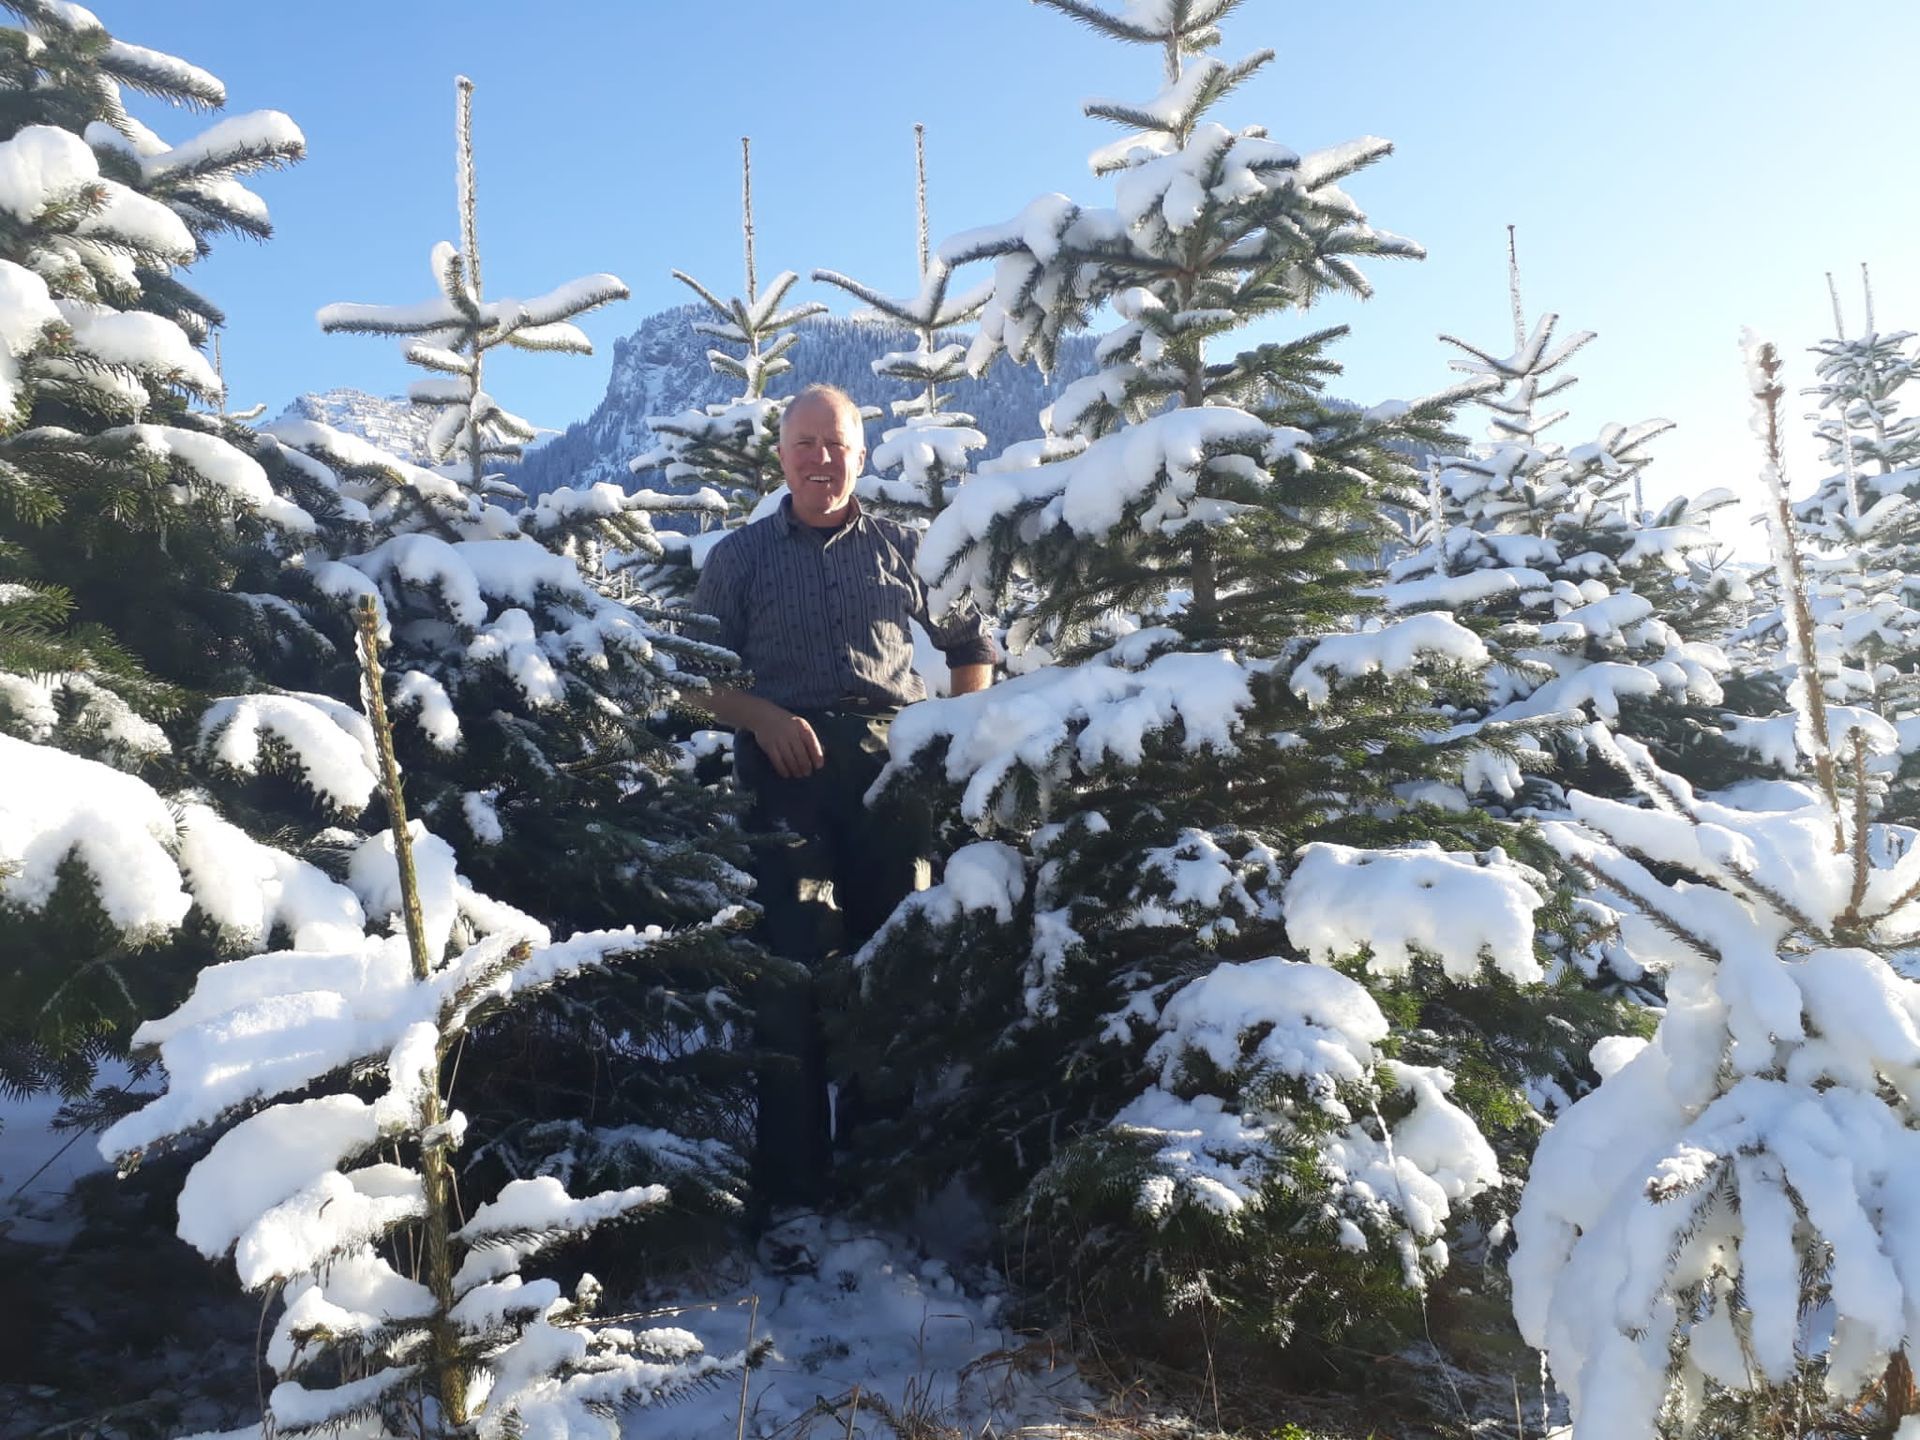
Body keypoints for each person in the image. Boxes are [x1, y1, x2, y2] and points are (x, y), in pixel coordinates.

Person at [691, 383, 995, 1207]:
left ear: (860, 456)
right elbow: (692, 676)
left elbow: (972, 643)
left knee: (890, 961)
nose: (821, 460)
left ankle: (881, 1174)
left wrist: (952, 734)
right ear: (782, 455)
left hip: (892, 770)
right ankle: (792, 1192)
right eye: (805, 444)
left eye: (836, 445)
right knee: (787, 969)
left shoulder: (906, 547)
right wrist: (763, 718)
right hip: (781, 772)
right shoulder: (739, 559)